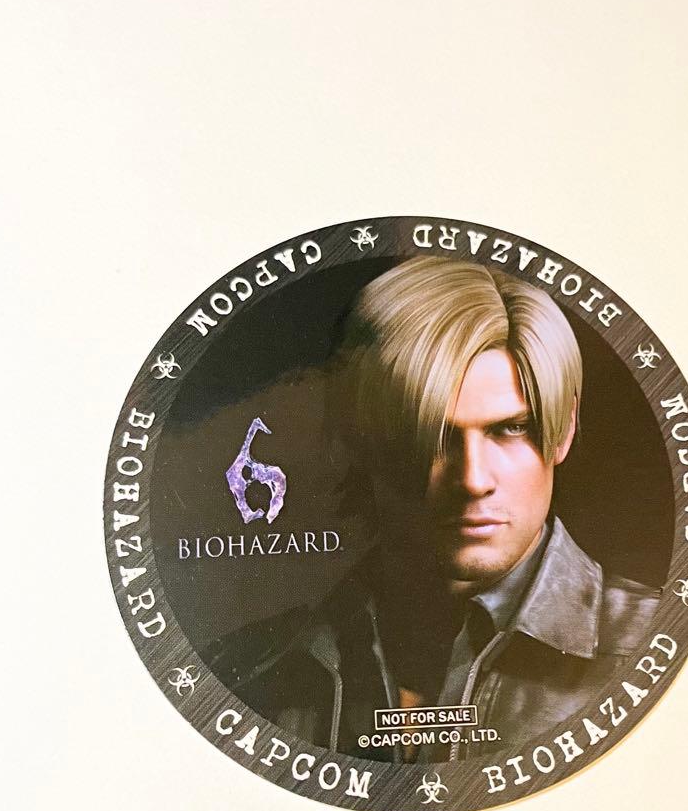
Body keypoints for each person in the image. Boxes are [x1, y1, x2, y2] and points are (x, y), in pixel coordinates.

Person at [204, 256, 660, 762]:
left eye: (511, 429)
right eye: (433, 434)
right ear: (359, 437)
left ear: (565, 428)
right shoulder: (251, 670)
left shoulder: (656, 647)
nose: (473, 480)